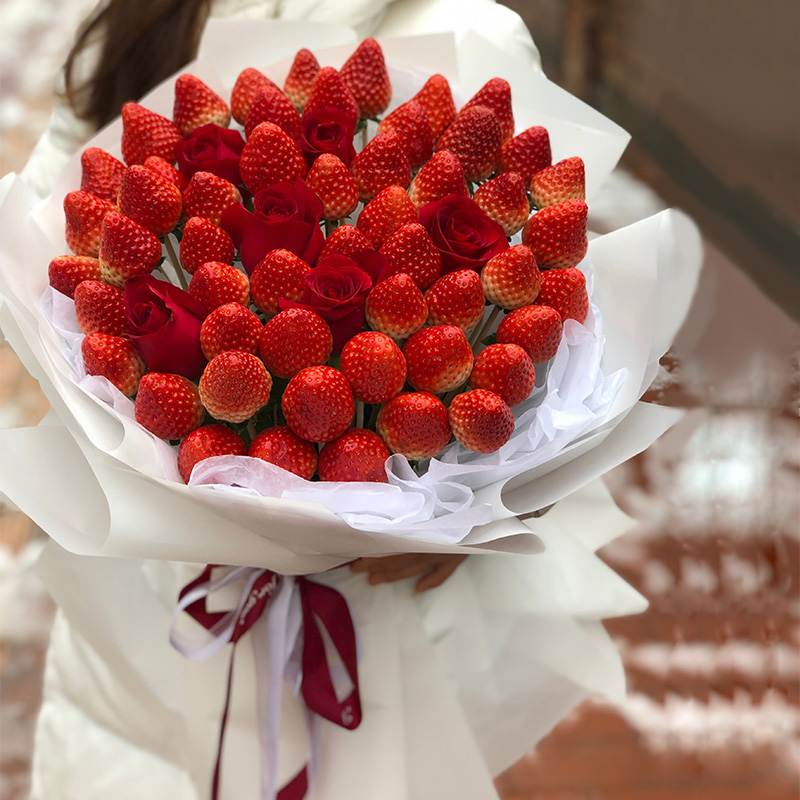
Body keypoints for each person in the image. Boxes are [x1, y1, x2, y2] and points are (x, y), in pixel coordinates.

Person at [19, 2, 643, 798]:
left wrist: (480, 501)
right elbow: (47, 242)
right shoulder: (150, 12)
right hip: (153, 611)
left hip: (388, 614)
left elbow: (562, 342)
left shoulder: (461, 25)